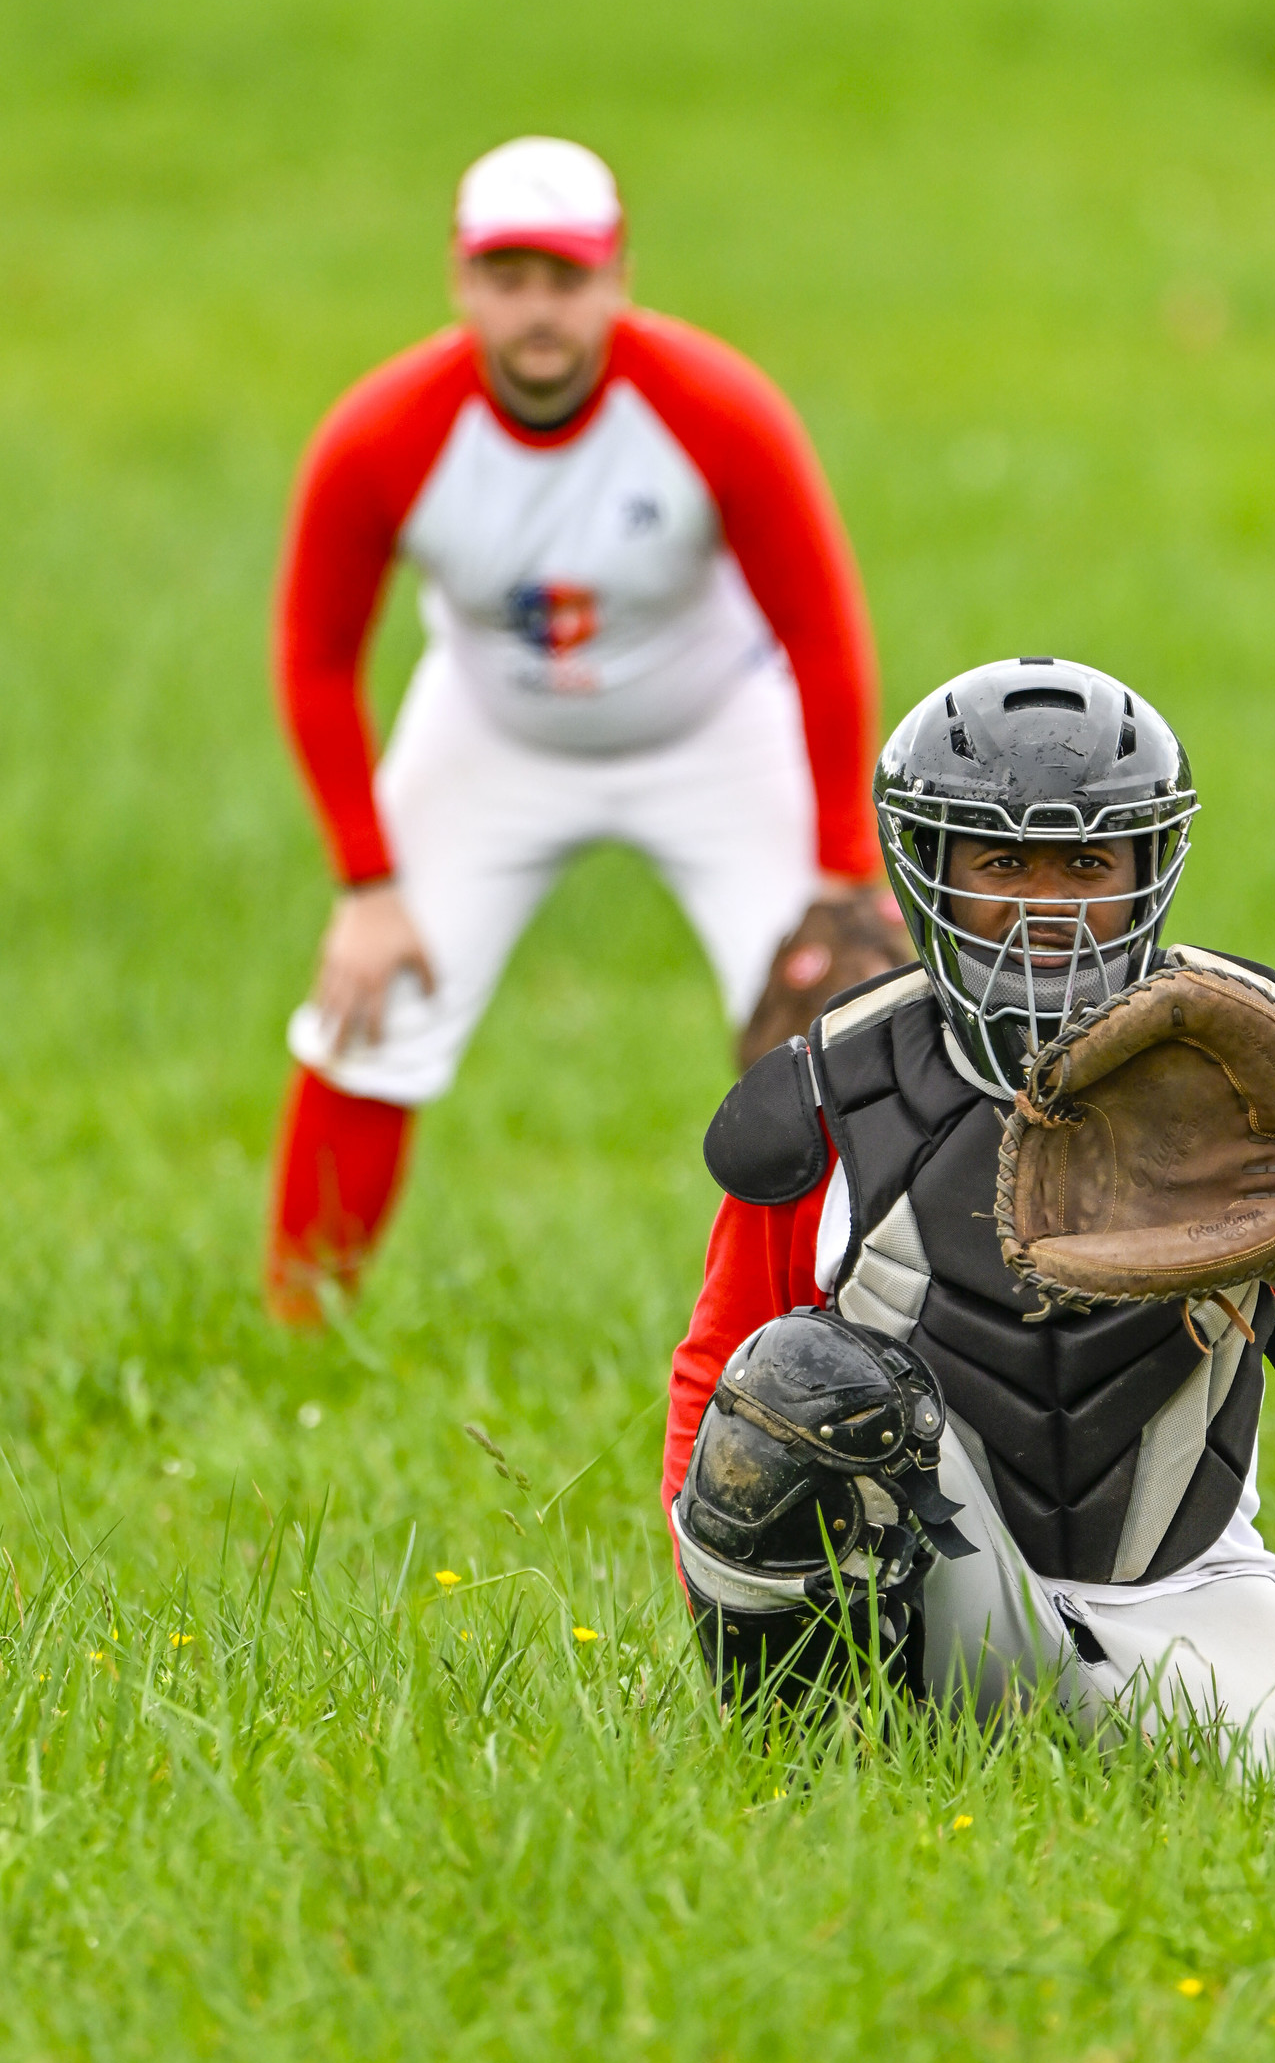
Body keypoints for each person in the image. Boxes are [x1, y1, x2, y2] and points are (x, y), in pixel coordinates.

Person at [664, 656, 1275, 1773]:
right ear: (925, 861)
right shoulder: (840, 1084)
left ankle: (1086, 1715)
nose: (1044, 897)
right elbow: (721, 1369)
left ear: (1147, 865)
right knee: (797, 1376)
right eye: (1000, 859)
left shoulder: (1234, 1057)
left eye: (1087, 861)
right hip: (922, 1595)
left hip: (1186, 1584)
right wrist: (722, 1603)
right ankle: (856, 1738)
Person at [266, 135, 880, 1325]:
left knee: (850, 1032)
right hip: (494, 732)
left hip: (712, 726)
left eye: (564, 277)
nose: (536, 309)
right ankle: (298, 1323)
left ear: (616, 279)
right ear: (460, 280)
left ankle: (870, 1325)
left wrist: (843, 865)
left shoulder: (712, 408)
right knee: (369, 1011)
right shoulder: (385, 433)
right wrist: (365, 882)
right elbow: (316, 658)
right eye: (508, 278)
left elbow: (822, 635)